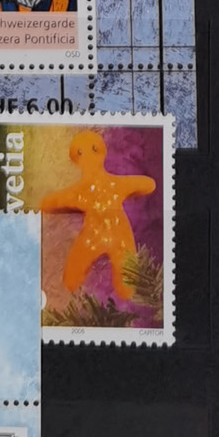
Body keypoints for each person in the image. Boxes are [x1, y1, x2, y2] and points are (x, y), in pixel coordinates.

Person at [36, 130, 158, 306]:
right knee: (72, 279)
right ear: (76, 159)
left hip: (110, 235)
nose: (88, 157)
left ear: (102, 152)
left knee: (125, 284)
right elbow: (147, 184)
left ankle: (122, 294)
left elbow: (147, 184)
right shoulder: (90, 190)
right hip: (97, 235)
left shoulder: (111, 185)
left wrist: (47, 203)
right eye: (81, 152)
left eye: (94, 149)